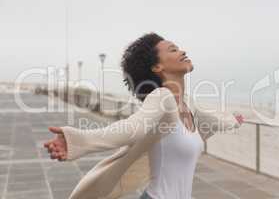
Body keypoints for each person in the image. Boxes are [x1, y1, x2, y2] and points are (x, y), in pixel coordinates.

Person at [44, 33, 244, 199]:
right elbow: (132, 128)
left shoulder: (187, 104)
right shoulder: (161, 97)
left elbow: (213, 121)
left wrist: (234, 120)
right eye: (173, 50)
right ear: (157, 67)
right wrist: (76, 140)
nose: (182, 51)